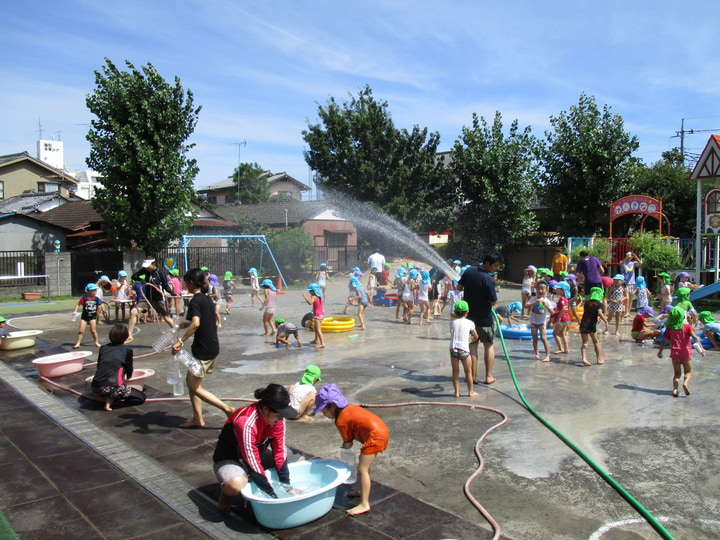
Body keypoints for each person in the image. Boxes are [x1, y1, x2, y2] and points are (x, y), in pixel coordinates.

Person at [212, 384, 304, 512]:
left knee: (299, 460)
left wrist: (287, 487)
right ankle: (225, 492)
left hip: (256, 453)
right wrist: (272, 496)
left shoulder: (277, 418)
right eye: (279, 416)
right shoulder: (246, 422)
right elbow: (252, 461)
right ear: (265, 409)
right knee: (235, 485)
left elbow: (279, 452)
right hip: (231, 457)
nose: (281, 419)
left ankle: (252, 480)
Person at [171, 268, 235, 428]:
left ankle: (227, 409)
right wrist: (187, 323)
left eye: (185, 281)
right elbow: (202, 321)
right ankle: (197, 418)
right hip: (212, 346)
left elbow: (197, 323)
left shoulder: (195, 301)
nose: (184, 284)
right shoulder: (206, 299)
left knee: (194, 386)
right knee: (191, 382)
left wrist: (181, 341)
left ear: (191, 282)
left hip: (203, 349)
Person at [315, 384, 389, 516]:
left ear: (332, 406)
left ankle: (364, 504)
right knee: (364, 465)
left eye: (324, 410)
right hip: (380, 431)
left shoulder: (341, 420)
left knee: (362, 469)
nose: (323, 414)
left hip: (375, 437)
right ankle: (362, 491)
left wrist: (345, 449)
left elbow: (348, 444)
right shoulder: (350, 408)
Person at [458, 252, 503, 383]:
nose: (496, 268)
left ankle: (472, 377)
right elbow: (493, 302)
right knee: (488, 345)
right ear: (487, 263)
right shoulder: (489, 280)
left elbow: (459, 287)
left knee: (472, 346)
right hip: (485, 319)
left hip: (469, 317)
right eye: (495, 266)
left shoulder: (469, 271)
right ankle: (488, 376)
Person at [90, 324, 146, 411]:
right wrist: (129, 377)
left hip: (96, 387)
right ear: (125, 337)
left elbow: (100, 365)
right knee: (141, 397)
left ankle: (106, 399)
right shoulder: (127, 350)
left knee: (109, 389)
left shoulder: (103, 348)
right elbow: (129, 367)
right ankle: (112, 400)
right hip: (114, 387)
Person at [657, 307, 705, 397]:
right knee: (688, 372)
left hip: (675, 353)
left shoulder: (669, 328)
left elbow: (664, 341)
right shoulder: (687, 327)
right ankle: (685, 383)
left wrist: (660, 352)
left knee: (677, 374)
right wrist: (701, 349)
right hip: (686, 353)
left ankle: (675, 389)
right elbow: (695, 337)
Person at [126, 258, 175, 343]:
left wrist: (173, 294)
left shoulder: (160, 273)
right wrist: (142, 280)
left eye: (148, 266)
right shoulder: (145, 271)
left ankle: (177, 336)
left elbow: (165, 286)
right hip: (147, 298)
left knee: (167, 319)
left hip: (158, 299)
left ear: (154, 264)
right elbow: (134, 276)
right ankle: (129, 335)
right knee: (133, 312)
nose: (146, 268)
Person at [449, 300, 479, 398]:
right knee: (468, 371)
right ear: (467, 311)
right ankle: (470, 391)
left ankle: (456, 392)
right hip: (464, 349)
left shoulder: (452, 322)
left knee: (455, 371)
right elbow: (476, 336)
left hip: (453, 348)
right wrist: (470, 339)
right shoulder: (470, 323)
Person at [525, 281, 555, 362]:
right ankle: (537, 353)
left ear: (546, 291)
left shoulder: (547, 301)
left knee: (543, 338)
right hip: (533, 322)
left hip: (542, 322)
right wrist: (534, 303)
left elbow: (552, 312)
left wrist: (545, 305)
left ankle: (548, 355)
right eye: (538, 289)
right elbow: (526, 306)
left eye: (542, 289)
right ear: (536, 290)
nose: (540, 291)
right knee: (534, 338)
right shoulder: (533, 299)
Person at [580, 287, 609, 366]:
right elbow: (599, 313)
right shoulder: (599, 304)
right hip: (591, 324)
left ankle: (584, 358)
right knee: (596, 341)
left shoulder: (586, 303)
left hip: (583, 323)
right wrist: (606, 321)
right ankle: (599, 358)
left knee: (585, 342)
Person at [72, 283, 103, 348]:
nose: (94, 292)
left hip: (92, 317)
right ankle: (78, 343)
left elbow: (99, 307)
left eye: (95, 291)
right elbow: (78, 304)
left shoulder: (97, 299)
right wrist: (75, 311)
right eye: (92, 291)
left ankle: (96, 342)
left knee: (93, 330)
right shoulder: (84, 298)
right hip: (84, 317)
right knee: (81, 330)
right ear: (88, 291)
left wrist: (98, 318)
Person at [303, 283, 325, 348]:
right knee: (315, 328)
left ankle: (322, 343)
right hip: (321, 314)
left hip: (317, 315)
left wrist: (305, 297)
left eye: (310, 291)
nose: (309, 292)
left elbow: (310, 303)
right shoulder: (319, 296)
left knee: (318, 329)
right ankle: (315, 340)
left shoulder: (314, 297)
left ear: (313, 291)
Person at [552, 281, 571, 354]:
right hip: (566, 319)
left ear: (562, 290)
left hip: (562, 319)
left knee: (555, 333)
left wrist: (558, 318)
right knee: (563, 334)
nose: (556, 290)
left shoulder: (562, 298)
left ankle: (560, 348)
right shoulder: (565, 298)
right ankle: (566, 349)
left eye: (558, 289)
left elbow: (563, 308)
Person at [621, 252, 642, 316]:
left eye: (630, 256)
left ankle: (628, 312)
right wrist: (626, 258)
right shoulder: (623, 262)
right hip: (625, 282)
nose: (629, 257)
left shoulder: (633, 263)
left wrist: (635, 257)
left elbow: (640, 263)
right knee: (626, 297)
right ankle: (625, 311)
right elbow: (621, 264)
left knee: (631, 298)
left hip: (632, 282)